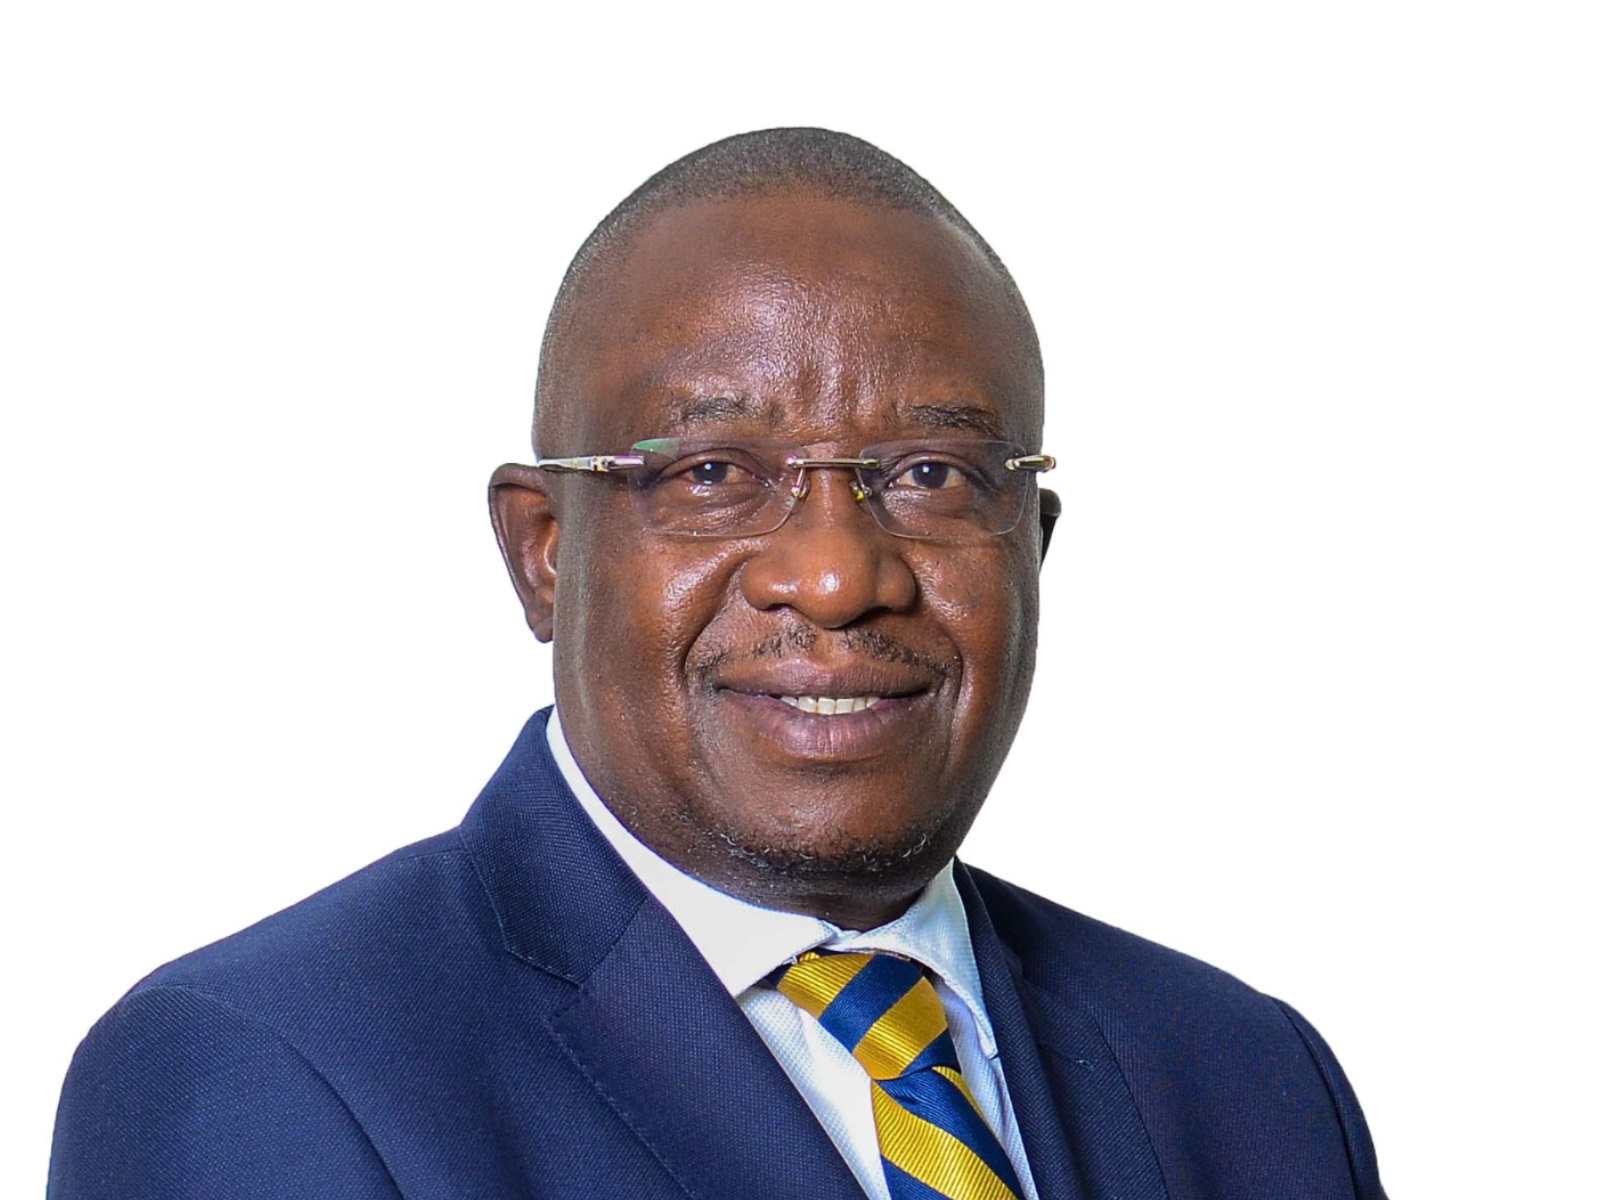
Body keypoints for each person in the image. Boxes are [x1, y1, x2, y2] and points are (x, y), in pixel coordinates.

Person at [48, 128, 1387, 1199]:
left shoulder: (1247, 1081)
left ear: (1029, 545)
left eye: (931, 474)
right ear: (545, 552)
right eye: (712, 473)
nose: (839, 575)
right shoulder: (263, 1075)